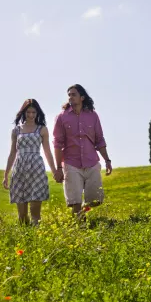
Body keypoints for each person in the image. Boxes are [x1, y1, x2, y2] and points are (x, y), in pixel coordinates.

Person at [53, 84, 112, 221]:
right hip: (71, 164)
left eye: (73, 94)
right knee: (75, 201)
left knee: (96, 200)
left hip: (91, 162)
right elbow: (57, 144)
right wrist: (59, 168)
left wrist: (107, 160)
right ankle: (81, 228)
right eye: (69, 95)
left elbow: (100, 140)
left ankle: (84, 211)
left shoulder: (92, 116)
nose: (70, 97)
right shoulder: (61, 118)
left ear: (82, 97)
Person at [3, 99, 60, 225]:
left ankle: (37, 237)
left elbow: (47, 152)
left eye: (33, 112)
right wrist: (6, 175)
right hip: (20, 168)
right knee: (22, 215)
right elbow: (12, 153)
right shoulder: (16, 131)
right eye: (28, 112)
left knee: (35, 213)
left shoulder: (42, 129)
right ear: (23, 113)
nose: (31, 115)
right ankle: (25, 239)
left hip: (36, 168)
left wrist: (55, 170)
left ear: (37, 113)